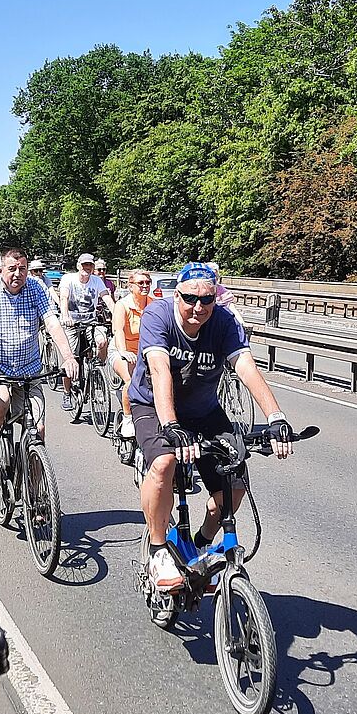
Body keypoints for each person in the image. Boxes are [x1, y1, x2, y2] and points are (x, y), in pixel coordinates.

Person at [131, 262, 294, 591]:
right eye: (190, 299)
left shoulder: (223, 321)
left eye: (207, 300)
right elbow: (160, 369)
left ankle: (202, 543)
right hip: (154, 405)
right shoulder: (158, 316)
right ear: (177, 295)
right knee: (164, 462)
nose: (198, 307)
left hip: (203, 410)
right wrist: (170, 425)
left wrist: (276, 417)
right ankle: (158, 549)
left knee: (236, 481)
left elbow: (245, 366)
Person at [0, 248, 78, 478]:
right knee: (0, 404)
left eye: (22, 269)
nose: (18, 274)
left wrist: (69, 357)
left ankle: (39, 494)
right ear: (1, 270)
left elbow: (52, 323)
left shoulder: (36, 287)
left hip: (29, 370)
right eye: (12, 269)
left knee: (38, 430)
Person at [57, 252, 114, 413]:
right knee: (71, 360)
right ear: (78, 266)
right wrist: (65, 315)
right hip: (72, 323)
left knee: (102, 341)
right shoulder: (68, 279)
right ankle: (67, 392)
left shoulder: (96, 281)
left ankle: (97, 371)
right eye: (84, 265)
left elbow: (107, 298)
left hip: (91, 322)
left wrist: (117, 314)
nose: (87, 268)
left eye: (90, 265)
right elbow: (63, 297)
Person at [110, 268, 153, 464]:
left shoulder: (153, 305)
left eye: (147, 283)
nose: (145, 286)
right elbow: (118, 331)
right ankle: (127, 418)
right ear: (131, 285)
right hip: (123, 350)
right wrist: (123, 352)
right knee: (132, 379)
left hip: (145, 351)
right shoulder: (123, 305)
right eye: (140, 283)